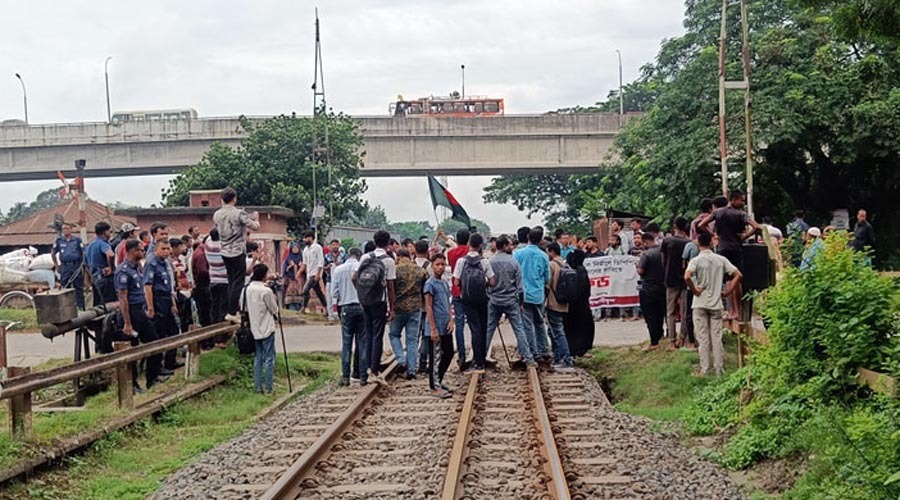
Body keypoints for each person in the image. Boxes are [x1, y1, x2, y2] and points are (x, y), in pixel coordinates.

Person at [685, 232, 742, 376]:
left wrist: (695, 290)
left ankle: (705, 369)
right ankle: (719, 369)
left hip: (700, 302)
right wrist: (728, 291)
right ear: (711, 242)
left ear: (698, 243)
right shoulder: (721, 259)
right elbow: (738, 275)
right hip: (716, 303)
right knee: (716, 338)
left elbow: (687, 277)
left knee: (703, 338)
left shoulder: (696, 260)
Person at [698, 189, 759, 319]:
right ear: (733, 199)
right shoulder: (741, 214)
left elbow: (701, 224)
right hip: (736, 248)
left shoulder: (717, 212)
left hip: (722, 249)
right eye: (741, 200)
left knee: (727, 279)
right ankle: (737, 311)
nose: (743, 202)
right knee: (737, 278)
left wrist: (714, 235)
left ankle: (732, 311)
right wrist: (744, 237)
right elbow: (756, 227)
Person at [116, 239, 165, 392]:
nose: (143, 253)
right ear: (132, 251)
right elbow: (123, 298)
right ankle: (132, 385)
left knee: (155, 343)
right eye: (140, 250)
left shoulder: (137, 268)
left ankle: (152, 378)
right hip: (130, 313)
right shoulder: (123, 271)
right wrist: (127, 323)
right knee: (132, 350)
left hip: (140, 311)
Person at [213, 187, 261, 323]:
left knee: (231, 281)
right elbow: (255, 227)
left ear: (222, 199)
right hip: (237, 250)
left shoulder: (216, 214)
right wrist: (256, 219)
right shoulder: (239, 213)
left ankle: (230, 310)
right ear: (234, 198)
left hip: (224, 250)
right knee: (238, 282)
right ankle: (232, 311)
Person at [354, 230, 397, 382]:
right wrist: (392, 308)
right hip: (380, 301)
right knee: (377, 336)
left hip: (365, 301)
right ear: (388, 243)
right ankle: (374, 370)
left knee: (367, 334)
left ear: (374, 241)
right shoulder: (389, 261)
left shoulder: (366, 257)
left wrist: (361, 293)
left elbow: (355, 277)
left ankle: (364, 371)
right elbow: (391, 286)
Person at [485, 235, 532, 365]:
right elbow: (520, 287)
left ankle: (481, 357)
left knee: (489, 329)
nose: (511, 247)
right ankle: (528, 358)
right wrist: (521, 302)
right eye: (510, 245)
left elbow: (487, 282)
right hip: (511, 300)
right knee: (519, 329)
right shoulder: (514, 263)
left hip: (494, 300)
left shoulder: (490, 262)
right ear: (505, 246)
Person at [453, 233, 495, 371]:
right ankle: (481, 359)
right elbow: (492, 281)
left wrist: (465, 287)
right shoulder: (484, 261)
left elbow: (456, 281)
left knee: (474, 329)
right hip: (482, 299)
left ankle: (477, 362)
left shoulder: (461, 261)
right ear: (481, 246)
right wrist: (484, 285)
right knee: (483, 328)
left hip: (467, 299)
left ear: (469, 244)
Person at [515, 227, 552, 363]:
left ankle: (531, 351)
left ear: (528, 237)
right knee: (539, 322)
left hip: (523, 295)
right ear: (541, 239)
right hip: (538, 294)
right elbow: (547, 277)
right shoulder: (544, 256)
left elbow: (514, 273)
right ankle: (543, 350)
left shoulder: (518, 254)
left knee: (527, 325)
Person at [144, 239, 180, 375]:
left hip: (166, 299)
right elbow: (148, 286)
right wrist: (151, 307)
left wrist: (172, 303)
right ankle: (157, 367)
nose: (166, 251)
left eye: (168, 249)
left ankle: (170, 361)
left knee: (174, 331)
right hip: (157, 299)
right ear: (156, 249)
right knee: (159, 334)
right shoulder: (151, 263)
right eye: (163, 249)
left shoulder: (165, 263)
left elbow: (169, 286)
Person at [389, 249, 427, 378]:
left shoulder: (395, 270)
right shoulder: (420, 270)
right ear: (410, 256)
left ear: (398, 257)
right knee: (412, 340)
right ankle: (411, 370)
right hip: (415, 308)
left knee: (394, 335)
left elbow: (390, 288)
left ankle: (401, 359)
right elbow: (425, 288)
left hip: (398, 308)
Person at [332, 247, 367, 386]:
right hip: (361, 307)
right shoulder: (361, 268)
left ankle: (345, 377)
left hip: (346, 307)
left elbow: (334, 293)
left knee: (347, 344)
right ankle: (363, 376)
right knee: (362, 343)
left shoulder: (338, 270)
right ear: (359, 256)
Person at [244, 264, 279, 394]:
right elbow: (274, 309)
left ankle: (258, 387)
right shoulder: (266, 291)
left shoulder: (249, 289)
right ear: (264, 275)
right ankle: (269, 387)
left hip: (254, 327)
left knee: (258, 357)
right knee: (269, 358)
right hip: (267, 326)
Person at [424, 254, 454, 399]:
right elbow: (428, 307)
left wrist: (451, 320)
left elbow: (448, 303)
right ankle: (434, 386)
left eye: (442, 264)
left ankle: (439, 380)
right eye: (437, 264)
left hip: (445, 324)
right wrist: (433, 328)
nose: (440, 267)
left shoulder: (443, 284)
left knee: (448, 353)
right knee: (435, 357)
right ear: (432, 266)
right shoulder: (429, 284)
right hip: (435, 325)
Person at [661, 217, 691, 348]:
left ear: (674, 226)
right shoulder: (689, 243)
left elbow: (663, 260)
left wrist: (666, 271)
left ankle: (672, 341)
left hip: (670, 278)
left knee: (670, 311)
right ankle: (683, 338)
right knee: (685, 311)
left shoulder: (667, 241)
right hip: (685, 279)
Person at [545, 243, 575, 371]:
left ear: (551, 252)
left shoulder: (552, 265)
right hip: (564, 302)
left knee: (557, 331)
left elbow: (547, 284)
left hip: (553, 302)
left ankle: (566, 360)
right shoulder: (565, 264)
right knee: (553, 331)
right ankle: (557, 358)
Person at [446, 228, 471, 370]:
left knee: (459, 324)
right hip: (470, 291)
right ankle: (475, 353)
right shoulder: (471, 252)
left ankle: (461, 354)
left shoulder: (451, 253)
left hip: (456, 289)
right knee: (474, 323)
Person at [637, 233, 666, 351]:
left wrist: (636, 266)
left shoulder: (646, 254)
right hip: (663, 287)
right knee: (660, 315)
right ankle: (661, 336)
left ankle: (654, 342)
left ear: (645, 242)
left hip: (648, 288)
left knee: (650, 317)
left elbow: (641, 270)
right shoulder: (662, 252)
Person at [563, 249, 594, 358]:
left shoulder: (571, 271)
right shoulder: (581, 270)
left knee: (572, 328)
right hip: (582, 305)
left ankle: (574, 349)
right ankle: (579, 349)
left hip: (572, 306)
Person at [52, 224, 85, 309]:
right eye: (63, 229)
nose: (65, 230)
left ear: (71, 229)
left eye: (67, 228)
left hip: (76, 266)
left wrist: (82, 265)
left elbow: (83, 253)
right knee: (65, 286)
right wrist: (56, 265)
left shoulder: (77, 240)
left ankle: (80, 307)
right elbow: (53, 253)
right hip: (65, 266)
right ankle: (67, 308)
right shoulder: (59, 241)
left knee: (78, 287)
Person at [86, 221, 117, 305]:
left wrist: (88, 283)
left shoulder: (89, 246)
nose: (110, 233)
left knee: (99, 306)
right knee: (109, 306)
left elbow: (85, 267)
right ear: (105, 232)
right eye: (109, 231)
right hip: (105, 279)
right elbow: (111, 255)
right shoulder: (103, 244)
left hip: (95, 280)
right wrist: (112, 268)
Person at [300, 232, 328, 314]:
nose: (305, 240)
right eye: (305, 238)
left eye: (307, 238)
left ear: (311, 238)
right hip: (309, 274)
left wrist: (318, 273)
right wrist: (300, 272)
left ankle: (303, 307)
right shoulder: (305, 250)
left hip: (315, 273)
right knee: (318, 292)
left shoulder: (317, 247)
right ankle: (325, 308)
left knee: (305, 290)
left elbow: (320, 261)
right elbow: (304, 263)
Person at [206, 228, 229, 325]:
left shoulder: (208, 245)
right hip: (224, 279)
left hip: (213, 278)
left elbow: (208, 238)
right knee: (223, 305)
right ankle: (221, 324)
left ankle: (213, 323)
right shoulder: (223, 247)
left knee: (214, 304)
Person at [191, 234, 212, 331]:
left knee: (204, 314)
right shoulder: (201, 254)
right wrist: (214, 273)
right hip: (203, 287)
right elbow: (202, 271)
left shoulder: (199, 251)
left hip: (201, 286)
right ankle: (207, 341)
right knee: (206, 314)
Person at [324, 239, 345, 321]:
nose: (335, 246)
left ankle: (340, 314)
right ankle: (330, 315)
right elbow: (323, 267)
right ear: (330, 246)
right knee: (329, 297)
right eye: (333, 245)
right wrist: (328, 267)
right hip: (329, 279)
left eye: (336, 244)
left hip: (341, 280)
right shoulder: (327, 256)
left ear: (339, 245)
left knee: (341, 297)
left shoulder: (343, 256)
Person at [281, 242, 304, 311]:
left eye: (297, 248)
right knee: (290, 294)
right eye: (294, 248)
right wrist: (290, 266)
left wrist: (301, 266)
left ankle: (300, 307)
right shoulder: (288, 258)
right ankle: (290, 307)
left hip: (300, 280)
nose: (295, 249)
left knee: (300, 293)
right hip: (290, 279)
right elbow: (284, 269)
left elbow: (306, 269)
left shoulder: (302, 258)